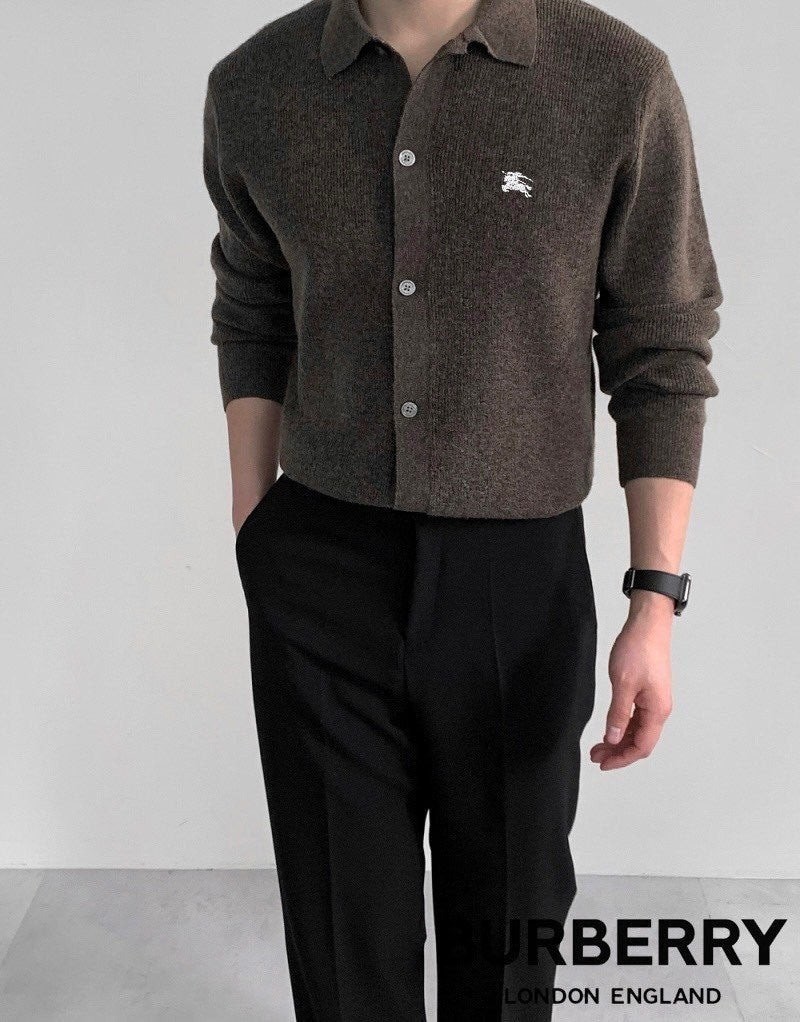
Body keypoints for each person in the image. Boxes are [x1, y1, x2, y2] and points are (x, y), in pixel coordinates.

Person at [201, 0, 721, 1017]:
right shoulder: (257, 84)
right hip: (320, 567)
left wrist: (653, 602)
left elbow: (660, 346)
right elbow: (252, 304)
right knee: (344, 943)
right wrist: (253, 523)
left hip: (516, 578)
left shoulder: (616, 79)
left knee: (509, 936)